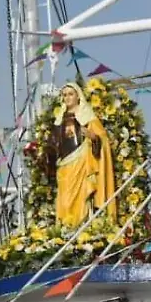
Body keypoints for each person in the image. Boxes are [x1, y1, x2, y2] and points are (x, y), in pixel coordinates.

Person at [48, 82, 117, 228]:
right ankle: (66, 229)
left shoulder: (87, 116)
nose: (67, 98)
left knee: (82, 197)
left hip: (82, 163)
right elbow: (54, 144)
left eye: (70, 94)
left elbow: (102, 139)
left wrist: (93, 137)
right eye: (64, 95)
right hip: (64, 166)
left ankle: (82, 228)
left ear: (78, 96)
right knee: (65, 200)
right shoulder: (59, 118)